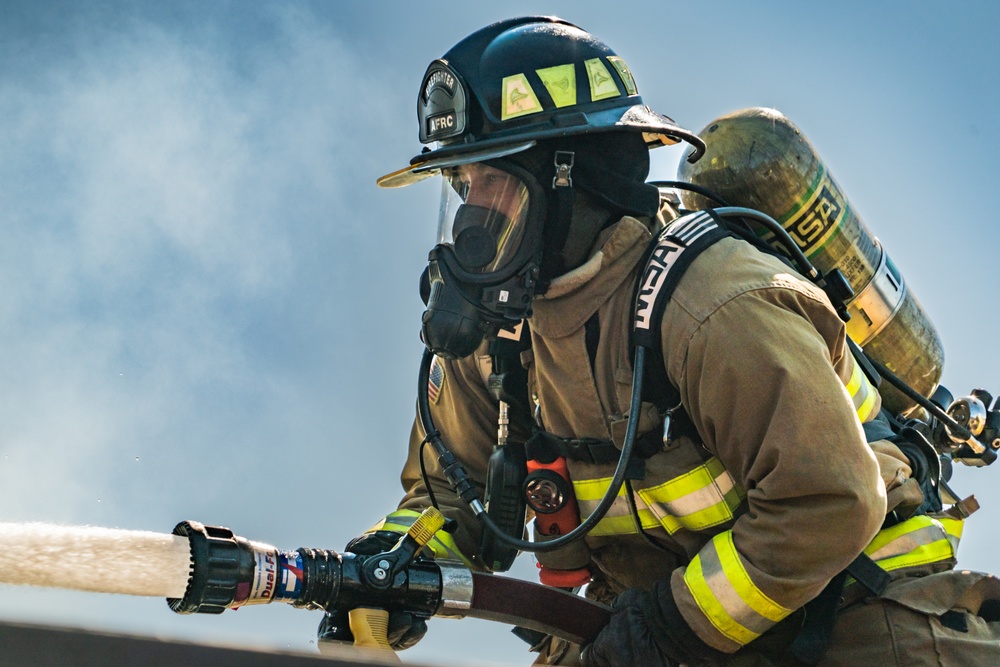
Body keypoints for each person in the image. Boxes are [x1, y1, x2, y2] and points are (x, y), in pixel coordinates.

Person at [321, 16, 1000, 666]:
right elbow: (450, 493)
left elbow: (827, 502)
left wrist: (675, 625)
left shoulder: (718, 302)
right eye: (461, 187)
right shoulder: (499, 334)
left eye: (494, 185)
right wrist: (390, 563)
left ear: (572, 181)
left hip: (852, 603)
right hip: (657, 626)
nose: (471, 220)